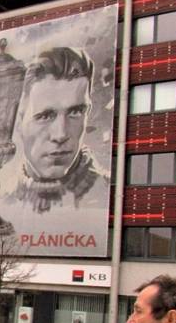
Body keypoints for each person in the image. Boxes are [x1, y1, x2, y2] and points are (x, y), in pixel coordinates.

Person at [11, 47, 109, 214]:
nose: (61, 134)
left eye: (75, 112)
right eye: (45, 116)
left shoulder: (108, 194)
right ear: (19, 120)